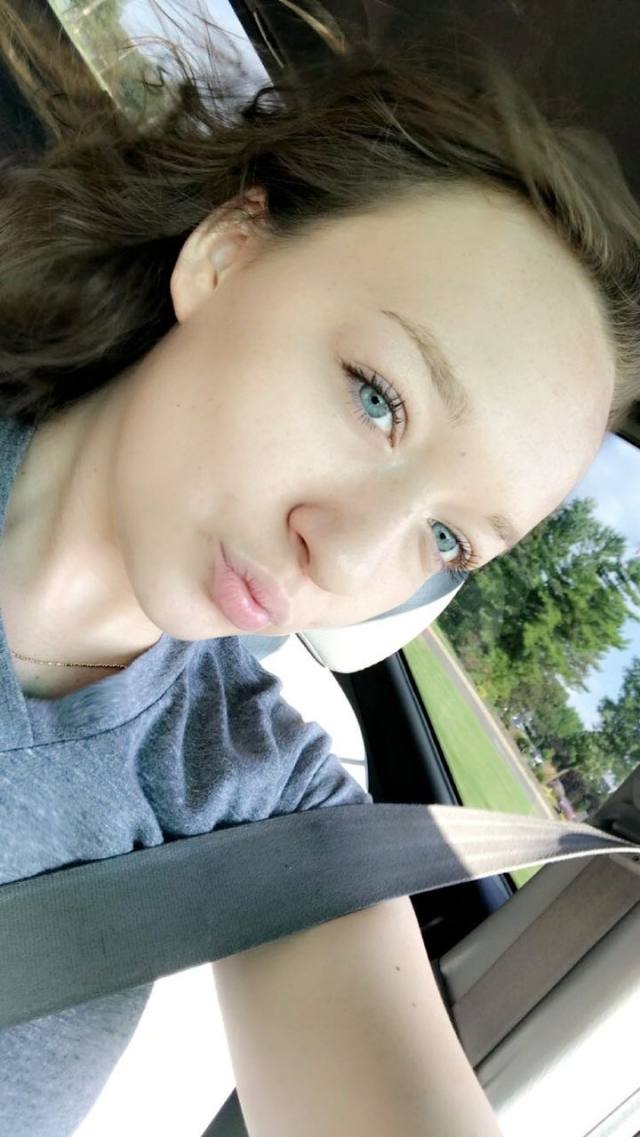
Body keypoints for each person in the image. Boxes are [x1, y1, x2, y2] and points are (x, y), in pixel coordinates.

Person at [0, 2, 638, 1134]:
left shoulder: (265, 814)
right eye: (378, 398)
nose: (344, 557)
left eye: (447, 539)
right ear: (227, 256)